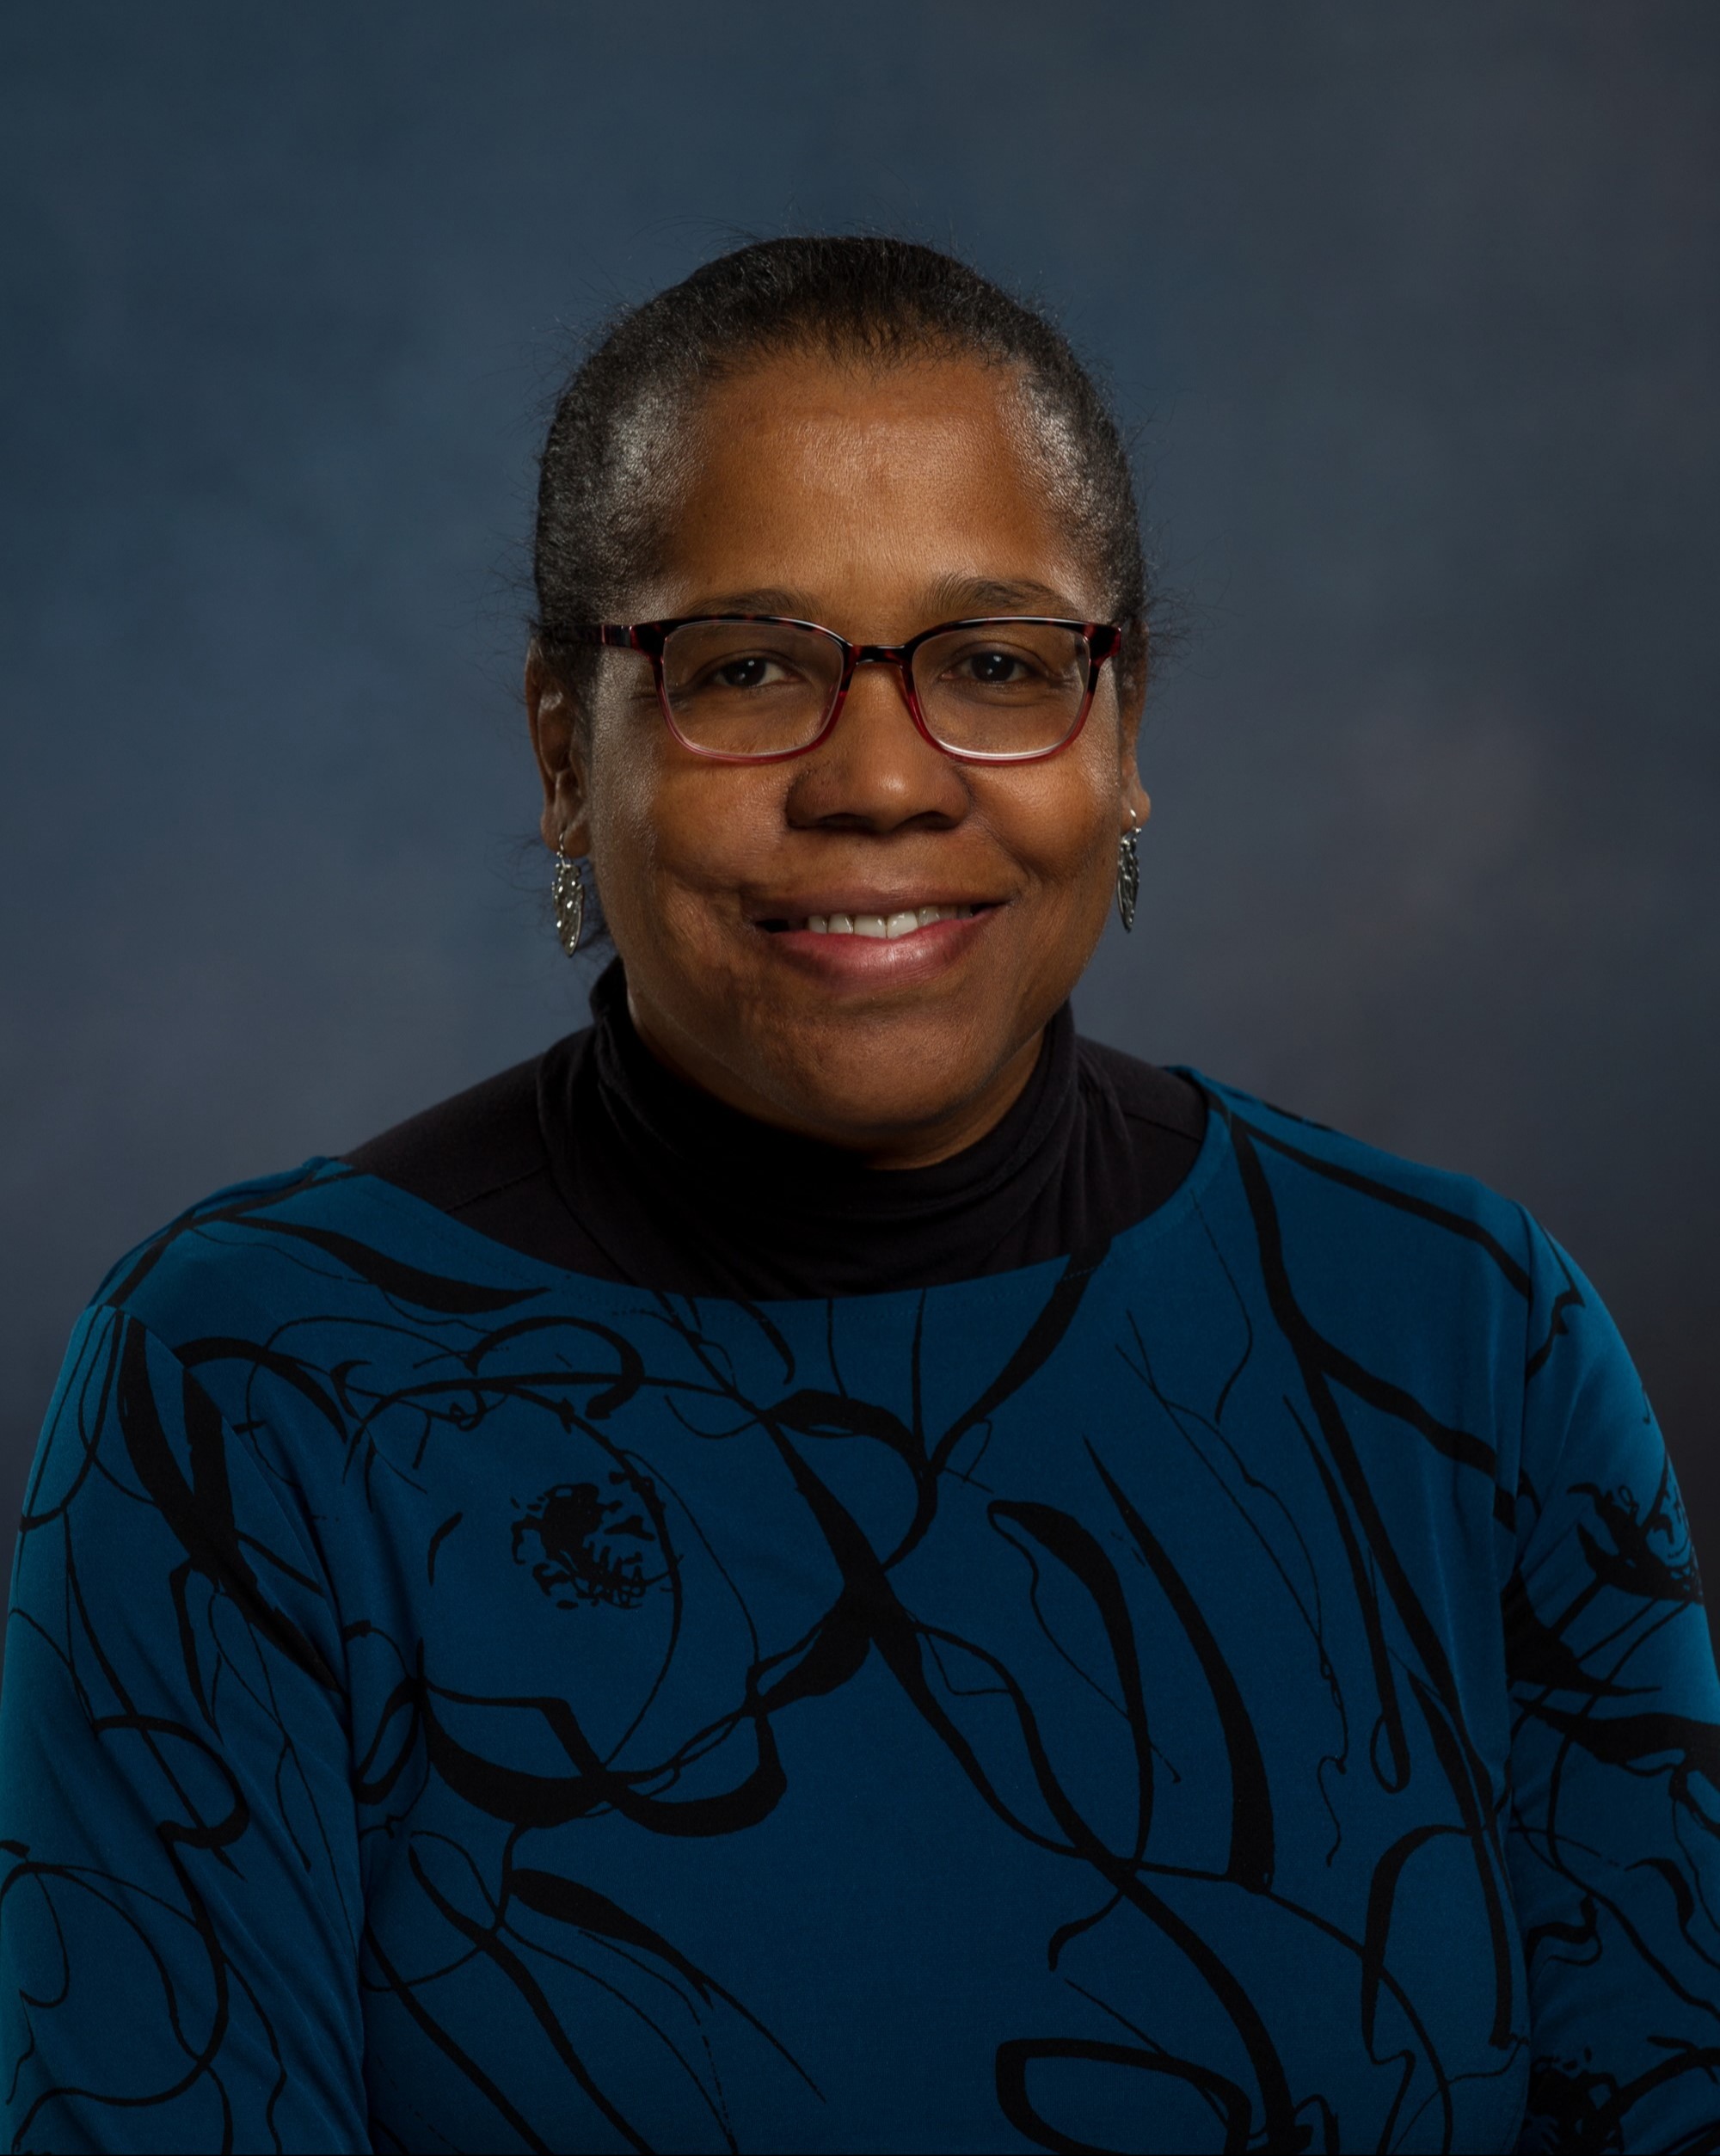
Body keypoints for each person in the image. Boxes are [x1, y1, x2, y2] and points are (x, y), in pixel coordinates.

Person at [1, 236, 1714, 2156]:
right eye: (747, 668)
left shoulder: (1459, 1340)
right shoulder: (247, 1387)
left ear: (1123, 736)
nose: (882, 780)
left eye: (996, 664)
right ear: (570, 757)